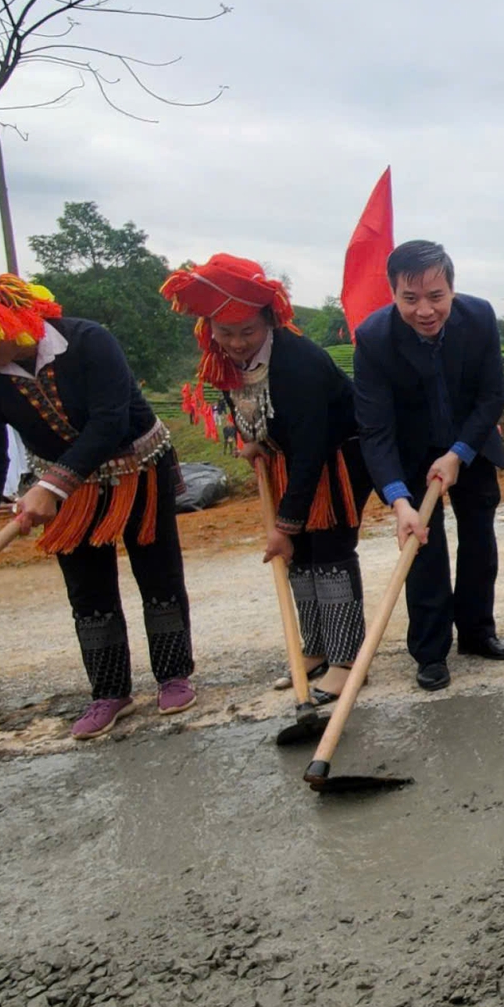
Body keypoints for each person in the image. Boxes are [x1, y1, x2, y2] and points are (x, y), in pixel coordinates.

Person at [0, 271, 196, 738]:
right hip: (62, 487)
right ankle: (109, 692)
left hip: (136, 470)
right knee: (87, 590)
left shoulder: (90, 341)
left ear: (2, 316)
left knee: (158, 573)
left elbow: (109, 423)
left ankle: (173, 675)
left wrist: (52, 485)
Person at [165, 253, 372, 704]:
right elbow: (245, 402)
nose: (236, 343)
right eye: (225, 333)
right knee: (300, 559)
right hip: (288, 456)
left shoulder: (301, 363)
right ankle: (315, 649)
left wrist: (284, 526)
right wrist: (253, 438)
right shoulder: (220, 358)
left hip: (337, 456)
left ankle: (347, 661)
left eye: (247, 333)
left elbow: (313, 445)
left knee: (331, 551)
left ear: (269, 324)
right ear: (210, 331)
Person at [353, 240, 504, 693]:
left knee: (479, 540)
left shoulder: (479, 317)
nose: (425, 310)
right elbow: (375, 429)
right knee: (424, 548)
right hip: (409, 454)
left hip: (471, 446)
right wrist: (398, 499)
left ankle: (478, 632)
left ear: (451, 290)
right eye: (410, 299)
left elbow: (491, 397)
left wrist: (459, 452)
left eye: (436, 297)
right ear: (393, 294)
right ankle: (430, 651)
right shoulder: (373, 339)